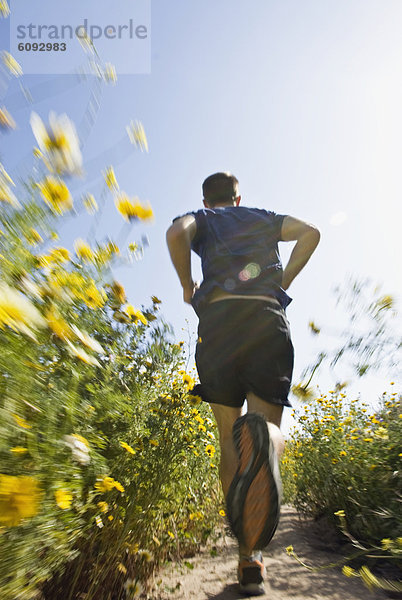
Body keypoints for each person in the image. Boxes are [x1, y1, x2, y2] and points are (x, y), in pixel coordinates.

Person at [166, 172, 320, 595]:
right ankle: (267, 442)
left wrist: (186, 284)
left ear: (206, 198)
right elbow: (311, 232)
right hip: (266, 319)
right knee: (265, 427)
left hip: (217, 324)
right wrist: (282, 281)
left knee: (228, 437)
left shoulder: (202, 218)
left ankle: (247, 559)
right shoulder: (262, 217)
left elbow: (176, 233)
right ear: (238, 198)